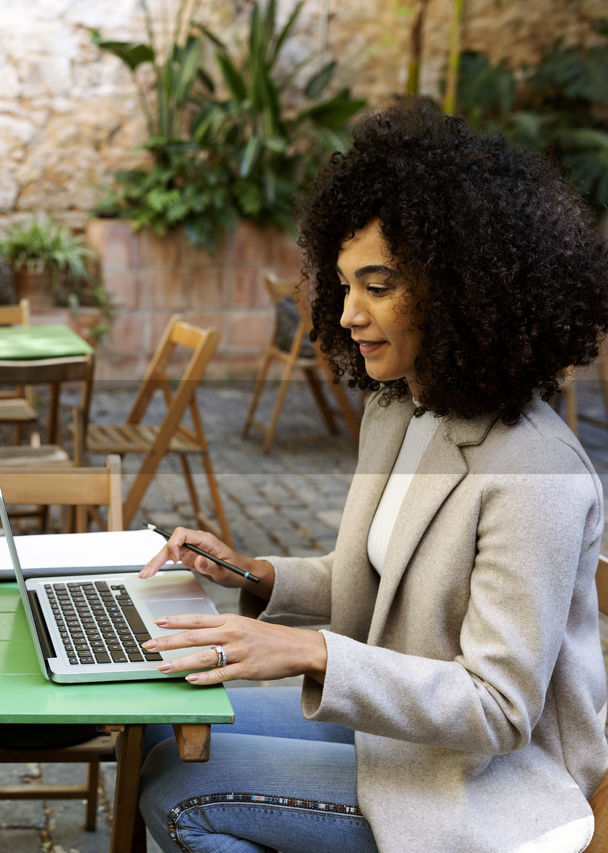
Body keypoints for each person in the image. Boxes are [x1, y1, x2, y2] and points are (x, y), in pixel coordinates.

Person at [136, 98, 608, 852]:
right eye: (344, 283)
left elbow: (500, 706)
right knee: (159, 711)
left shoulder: (537, 472)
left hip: (490, 779)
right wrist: (255, 574)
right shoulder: (403, 411)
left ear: (459, 289)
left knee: (180, 786)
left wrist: (313, 651)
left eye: (378, 286)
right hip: (397, 733)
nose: (348, 314)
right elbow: (376, 577)